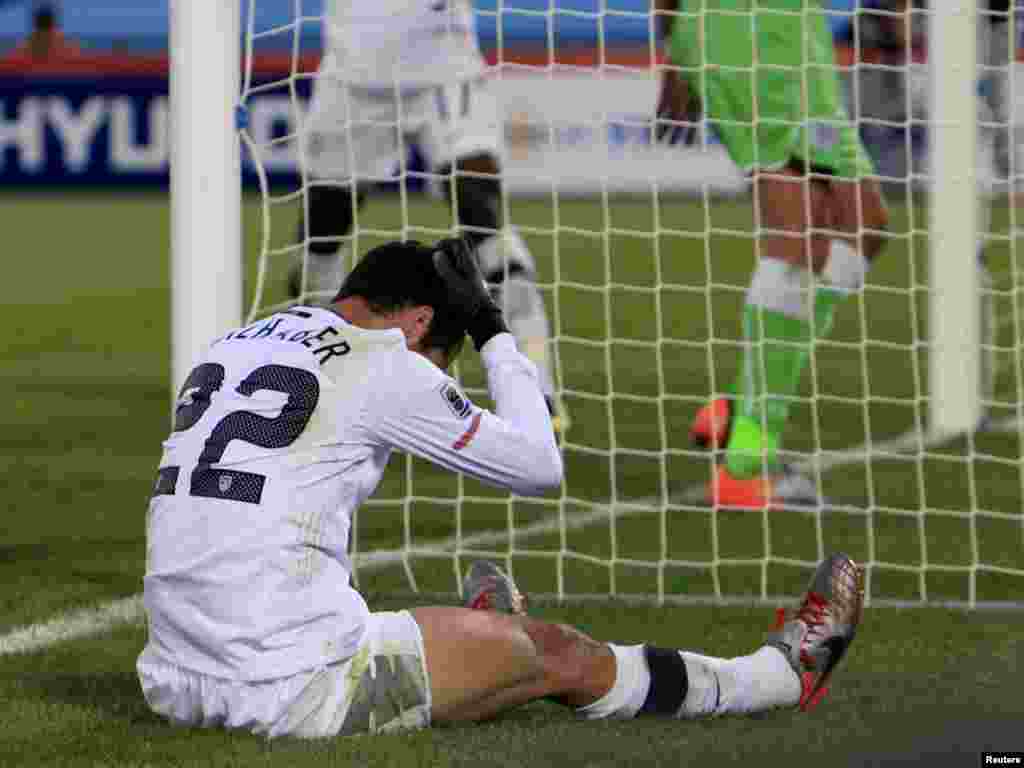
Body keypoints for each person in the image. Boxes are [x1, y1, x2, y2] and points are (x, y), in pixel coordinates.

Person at [137, 237, 865, 738]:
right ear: (419, 322)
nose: (442, 373)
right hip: (288, 689)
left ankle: (485, 637)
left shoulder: (237, 341)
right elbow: (540, 465)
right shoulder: (384, 360)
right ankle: (778, 674)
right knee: (559, 654)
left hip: (175, 674)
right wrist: (490, 329)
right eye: (443, 355)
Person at [656, 0, 891, 509]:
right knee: (801, 235)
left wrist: (678, 47)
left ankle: (740, 408)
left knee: (865, 227)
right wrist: (675, 48)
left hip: (790, 39)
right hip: (754, 38)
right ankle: (745, 467)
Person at [294, 0, 562, 427]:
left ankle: (537, 387)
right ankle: (316, 372)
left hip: (446, 72)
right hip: (352, 79)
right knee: (321, 234)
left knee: (483, 217)